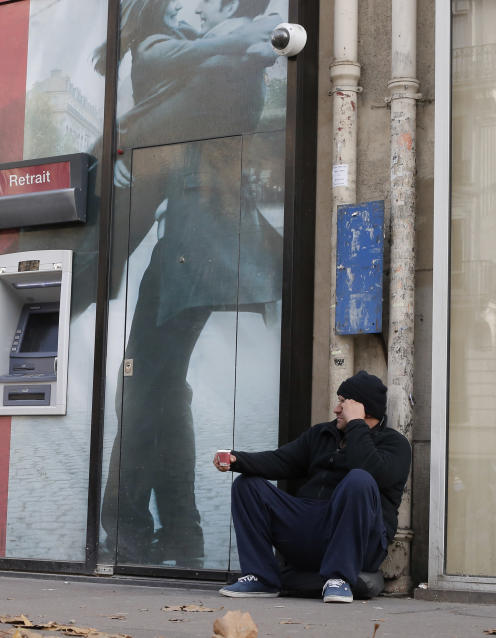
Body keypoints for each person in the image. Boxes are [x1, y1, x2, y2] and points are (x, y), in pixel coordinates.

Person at [98, 0, 280, 567]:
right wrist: (132, 146)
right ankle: (180, 531)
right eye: (183, 6)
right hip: (195, 247)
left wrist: (128, 142)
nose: (195, 12)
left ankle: (127, 524)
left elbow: (196, 108)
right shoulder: (180, 63)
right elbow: (173, 120)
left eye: (204, 7)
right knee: (163, 386)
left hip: (194, 252)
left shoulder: (227, 62)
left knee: (144, 384)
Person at [214, 371, 412, 603]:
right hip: (311, 528)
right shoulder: (322, 434)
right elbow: (280, 460)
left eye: (343, 402)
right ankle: (261, 577)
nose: (337, 409)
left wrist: (356, 425)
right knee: (247, 485)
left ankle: (339, 577)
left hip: (360, 541)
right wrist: (237, 460)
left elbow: (371, 470)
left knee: (359, 479)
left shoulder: (395, 444)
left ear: (362, 408)